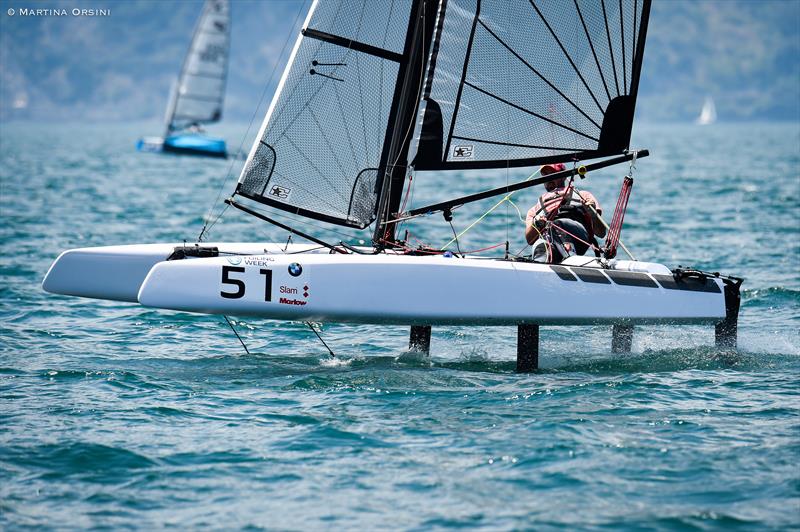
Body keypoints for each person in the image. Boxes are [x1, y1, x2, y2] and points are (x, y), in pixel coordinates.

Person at [525, 163, 607, 262]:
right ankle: (539, 264)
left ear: (564, 176)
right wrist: (537, 224)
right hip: (550, 239)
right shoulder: (534, 209)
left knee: (557, 225)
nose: (549, 179)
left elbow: (601, 233)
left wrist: (593, 215)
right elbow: (530, 240)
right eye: (545, 176)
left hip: (578, 236)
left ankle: (570, 257)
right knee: (539, 245)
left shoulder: (584, 196)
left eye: (553, 174)